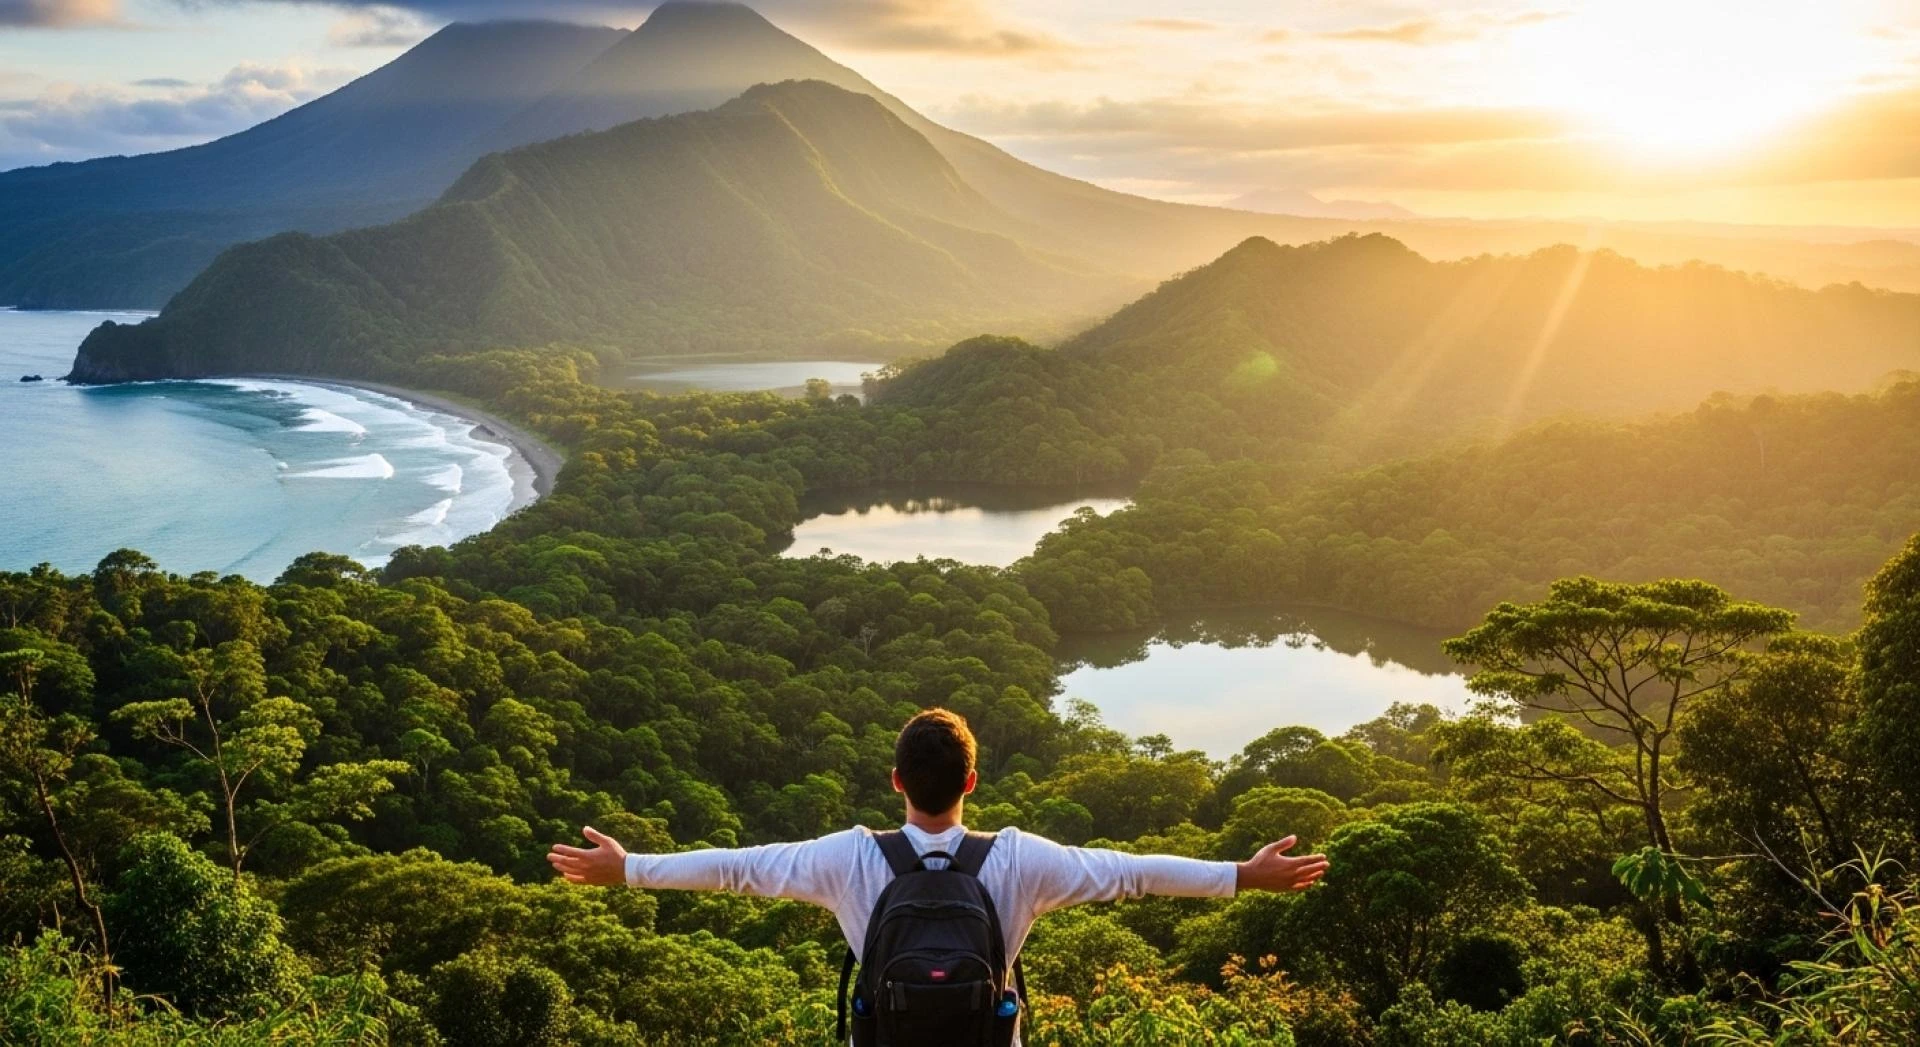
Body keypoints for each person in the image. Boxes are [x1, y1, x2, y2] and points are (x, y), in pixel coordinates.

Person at [548, 708, 1328, 1032]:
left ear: (896, 781)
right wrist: (1241, 875)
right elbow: (1130, 873)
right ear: (972, 782)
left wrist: (630, 869)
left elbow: (739, 871)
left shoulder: (848, 858)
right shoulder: (1019, 860)